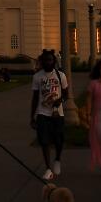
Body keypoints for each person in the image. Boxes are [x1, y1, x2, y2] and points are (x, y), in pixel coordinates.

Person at [30, 49, 70, 181]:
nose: (48, 62)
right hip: (42, 113)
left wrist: (60, 100)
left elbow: (66, 94)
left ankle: (57, 159)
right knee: (44, 141)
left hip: (57, 114)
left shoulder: (61, 76)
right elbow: (35, 98)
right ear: (42, 62)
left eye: (51, 60)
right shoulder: (37, 77)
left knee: (59, 140)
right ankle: (48, 169)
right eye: (46, 60)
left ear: (54, 61)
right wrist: (32, 116)